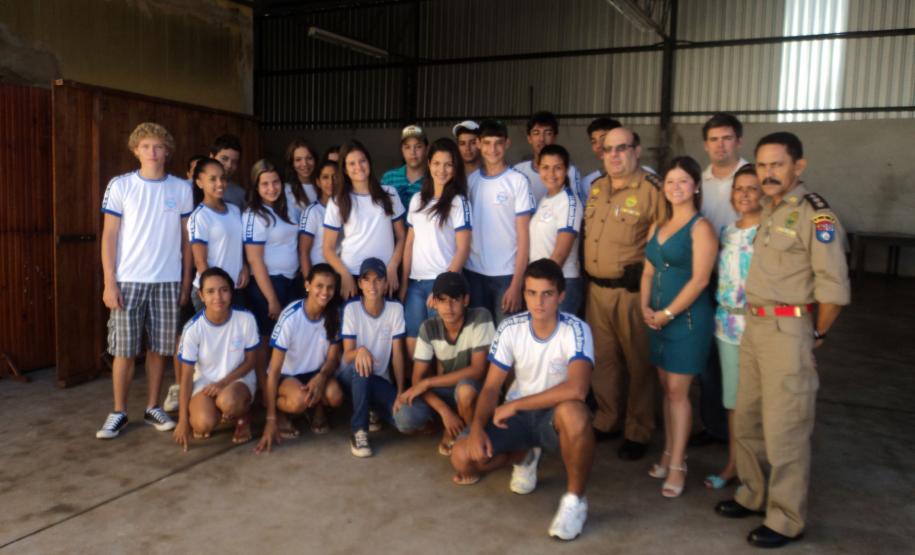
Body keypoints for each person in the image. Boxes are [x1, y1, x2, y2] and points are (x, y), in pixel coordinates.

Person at [715, 132, 850, 549]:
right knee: (749, 418)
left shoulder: (816, 215)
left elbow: (833, 288)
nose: (768, 173)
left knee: (785, 427)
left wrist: (816, 333)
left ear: (798, 166)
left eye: (777, 164)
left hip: (788, 330)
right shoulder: (770, 209)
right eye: (762, 165)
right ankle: (753, 494)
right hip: (754, 327)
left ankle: (786, 517)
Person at [450, 259, 595, 541]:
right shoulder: (510, 327)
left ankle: (575, 501)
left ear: (561, 296)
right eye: (531, 293)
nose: (538, 302)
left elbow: (578, 389)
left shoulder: (576, 329)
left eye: (547, 294)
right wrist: (477, 428)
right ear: (524, 294)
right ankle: (525, 456)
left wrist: (515, 404)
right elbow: (491, 387)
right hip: (517, 420)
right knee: (462, 458)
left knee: (575, 414)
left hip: (553, 418)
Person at [96, 122, 193, 439]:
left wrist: (185, 281)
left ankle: (153, 406)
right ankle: (119, 411)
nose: (152, 152)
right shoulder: (120, 185)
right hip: (128, 280)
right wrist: (109, 281)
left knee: (159, 348)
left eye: (158, 146)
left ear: (167, 151)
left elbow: (186, 240)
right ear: (136, 150)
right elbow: (109, 236)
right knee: (123, 350)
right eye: (146, 146)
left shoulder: (181, 189)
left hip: (167, 280)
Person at [583, 126, 666, 460]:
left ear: (637, 150)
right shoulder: (597, 188)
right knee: (604, 361)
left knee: (639, 363)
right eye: (608, 149)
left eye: (621, 148)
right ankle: (607, 419)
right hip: (597, 290)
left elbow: (667, 240)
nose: (614, 155)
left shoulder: (652, 190)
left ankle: (638, 429)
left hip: (632, 292)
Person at [640, 156, 718, 498]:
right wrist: (644, 307)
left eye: (683, 181)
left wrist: (668, 313)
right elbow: (648, 272)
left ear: (696, 186)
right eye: (670, 181)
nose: (676, 187)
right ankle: (669, 452)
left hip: (686, 320)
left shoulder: (701, 228)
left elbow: (700, 280)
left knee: (678, 392)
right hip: (656, 320)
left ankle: (678, 466)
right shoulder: (658, 226)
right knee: (665, 389)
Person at [692, 112, 752, 449]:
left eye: (727, 138)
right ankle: (715, 426)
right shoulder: (699, 181)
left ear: (739, 141)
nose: (720, 145)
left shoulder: (752, 179)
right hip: (706, 278)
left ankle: (745, 433)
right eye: (714, 139)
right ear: (705, 144)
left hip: (743, 285)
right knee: (708, 359)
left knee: (746, 361)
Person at [705, 164, 762, 490]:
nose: (744, 194)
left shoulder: (769, 233)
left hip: (761, 327)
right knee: (733, 400)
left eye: (752, 188)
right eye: (739, 188)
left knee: (761, 402)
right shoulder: (727, 232)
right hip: (727, 326)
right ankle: (734, 464)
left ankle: (759, 469)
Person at [393, 272, 493, 455]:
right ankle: (447, 420)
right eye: (442, 300)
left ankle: (463, 435)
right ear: (434, 302)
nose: (448, 307)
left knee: (465, 391)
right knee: (404, 416)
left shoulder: (480, 317)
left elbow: (478, 370)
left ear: (465, 300)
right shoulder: (428, 327)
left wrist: (428, 382)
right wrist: (444, 411)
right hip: (447, 390)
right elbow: (417, 380)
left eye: (455, 299)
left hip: (476, 390)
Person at [255, 263, 345, 452]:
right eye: (319, 286)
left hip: (316, 373)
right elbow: (274, 370)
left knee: (336, 396)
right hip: (288, 376)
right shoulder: (290, 317)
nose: (325, 292)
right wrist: (270, 419)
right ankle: (278, 411)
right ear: (307, 285)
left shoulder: (334, 314)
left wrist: (321, 377)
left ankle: (316, 407)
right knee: (299, 401)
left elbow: (332, 359)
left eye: (330, 287)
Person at [399, 138, 472, 359]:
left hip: (442, 285)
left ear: (455, 168)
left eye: (448, 164)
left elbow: (463, 249)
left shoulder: (459, 202)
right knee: (413, 341)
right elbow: (409, 244)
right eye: (437, 163)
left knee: (440, 347)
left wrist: (442, 288)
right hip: (415, 284)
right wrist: (404, 283)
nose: (442, 170)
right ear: (429, 164)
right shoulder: (417, 200)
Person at [173, 267, 259, 450]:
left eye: (224, 290)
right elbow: (186, 376)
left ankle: (242, 415)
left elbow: (251, 361)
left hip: (238, 379)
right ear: (201, 295)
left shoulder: (246, 319)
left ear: (231, 292)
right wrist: (183, 420)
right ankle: (220, 413)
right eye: (210, 291)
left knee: (229, 402)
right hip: (205, 382)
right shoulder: (192, 329)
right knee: (202, 425)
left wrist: (223, 383)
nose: (218, 297)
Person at [464, 119, 534, 325]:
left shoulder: (518, 181)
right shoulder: (470, 181)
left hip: (507, 275)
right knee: (479, 337)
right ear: (478, 144)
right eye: (487, 143)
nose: (492, 149)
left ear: (507, 143)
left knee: (506, 336)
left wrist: (517, 283)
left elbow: (524, 236)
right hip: (474, 273)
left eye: (498, 143)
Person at [337, 258, 407, 457]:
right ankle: (359, 431)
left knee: (409, 420)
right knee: (362, 364)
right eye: (367, 280)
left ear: (385, 283)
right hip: (351, 375)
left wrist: (401, 391)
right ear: (360, 283)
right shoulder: (351, 308)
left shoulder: (395, 309)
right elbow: (347, 355)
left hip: (379, 380)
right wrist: (360, 351)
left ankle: (372, 409)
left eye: (378, 280)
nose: (372, 285)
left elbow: (398, 355)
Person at [323, 140, 406, 300]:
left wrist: (393, 267)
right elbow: (328, 248)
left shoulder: (389, 193)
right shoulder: (338, 201)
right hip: (353, 276)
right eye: (351, 163)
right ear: (345, 169)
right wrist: (345, 275)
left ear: (369, 162)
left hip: (384, 276)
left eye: (362, 161)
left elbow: (402, 236)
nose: (358, 167)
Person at [243, 160, 299, 394]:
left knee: (286, 338)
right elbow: (255, 260)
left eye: (275, 182)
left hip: (291, 281)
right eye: (264, 184)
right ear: (256, 187)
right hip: (268, 285)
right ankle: (265, 392)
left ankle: (283, 388)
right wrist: (272, 299)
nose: (271, 188)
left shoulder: (287, 207)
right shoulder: (254, 215)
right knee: (266, 339)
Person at [529, 144, 583, 315]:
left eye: (557, 168)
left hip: (560, 283)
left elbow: (560, 253)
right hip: (543, 284)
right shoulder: (546, 198)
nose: (551, 174)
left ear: (566, 170)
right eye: (545, 167)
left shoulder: (569, 202)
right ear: (538, 168)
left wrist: (542, 286)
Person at [512, 111, 581, 203]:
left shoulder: (570, 171)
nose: (542, 139)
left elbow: (575, 205)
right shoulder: (517, 171)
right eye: (536, 133)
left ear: (555, 137)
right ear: (529, 138)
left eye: (548, 133)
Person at [298, 159, 337, 277]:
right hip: (320, 277)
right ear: (318, 182)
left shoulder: (347, 208)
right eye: (325, 177)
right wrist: (308, 282)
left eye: (335, 177)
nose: (331, 182)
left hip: (343, 274)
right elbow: (303, 252)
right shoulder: (312, 212)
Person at [382, 125, 428, 210]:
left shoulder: (433, 179)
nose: (412, 152)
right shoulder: (389, 178)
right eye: (407, 147)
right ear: (401, 150)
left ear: (426, 149)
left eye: (418, 146)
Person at [580, 117, 621, 203]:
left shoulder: (642, 176)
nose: (598, 145)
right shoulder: (588, 183)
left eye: (603, 139)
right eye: (594, 142)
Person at [284, 138, 320, 223]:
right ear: (292, 164)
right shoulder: (286, 190)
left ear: (315, 160)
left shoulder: (324, 185)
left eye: (309, 158)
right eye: (298, 160)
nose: (304, 164)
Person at [208, 134, 246, 209]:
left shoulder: (240, 195)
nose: (229, 165)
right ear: (211, 157)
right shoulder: (191, 189)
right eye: (224, 159)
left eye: (234, 162)